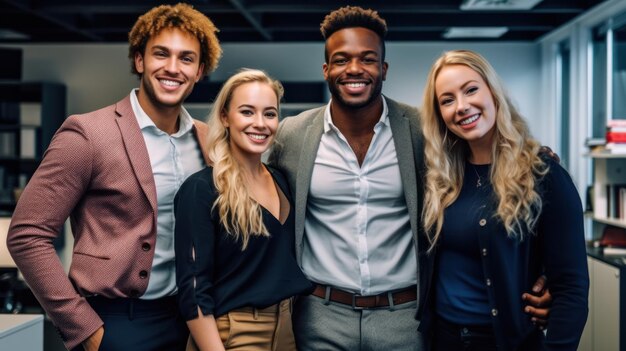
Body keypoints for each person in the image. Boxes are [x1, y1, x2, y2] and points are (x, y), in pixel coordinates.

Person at [268, 6, 553, 351]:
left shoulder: (424, 130)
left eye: (368, 59)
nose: (355, 69)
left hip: (404, 317)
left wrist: (534, 156)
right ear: (326, 69)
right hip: (319, 314)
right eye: (341, 60)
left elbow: (491, 168)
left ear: (383, 69)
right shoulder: (291, 135)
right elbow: (252, 186)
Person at [6, 3, 221, 351]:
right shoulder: (88, 134)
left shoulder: (208, 140)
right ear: (139, 60)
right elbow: (27, 235)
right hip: (115, 322)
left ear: (199, 71)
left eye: (186, 58)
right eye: (160, 54)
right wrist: (86, 330)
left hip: (189, 322)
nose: (172, 68)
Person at [418, 49, 589, 350]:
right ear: (440, 115)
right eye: (447, 100)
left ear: (493, 92)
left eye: (471, 89)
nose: (461, 106)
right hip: (441, 340)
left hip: (503, 342)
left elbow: (571, 289)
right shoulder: (439, 178)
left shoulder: (543, 175)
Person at [174, 69, 313, 351]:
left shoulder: (281, 179)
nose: (260, 124)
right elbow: (193, 290)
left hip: (288, 332)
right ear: (225, 117)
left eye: (270, 114)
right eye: (247, 112)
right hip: (232, 334)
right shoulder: (202, 189)